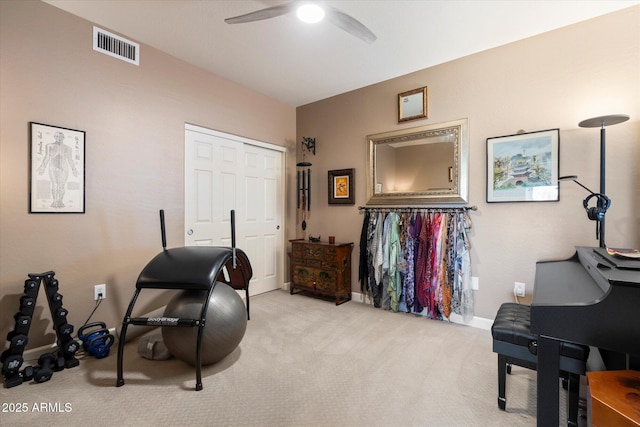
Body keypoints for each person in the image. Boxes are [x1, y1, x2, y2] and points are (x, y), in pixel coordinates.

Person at [37, 131, 78, 208]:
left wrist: (74, 169)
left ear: (63, 138)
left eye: (60, 137)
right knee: (55, 184)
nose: (59, 138)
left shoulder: (68, 148)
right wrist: (43, 167)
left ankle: (61, 201)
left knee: (62, 185)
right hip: (53, 166)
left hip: (64, 167)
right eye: (57, 136)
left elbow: (70, 159)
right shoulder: (50, 146)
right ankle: (55, 201)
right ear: (54, 137)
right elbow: (47, 156)